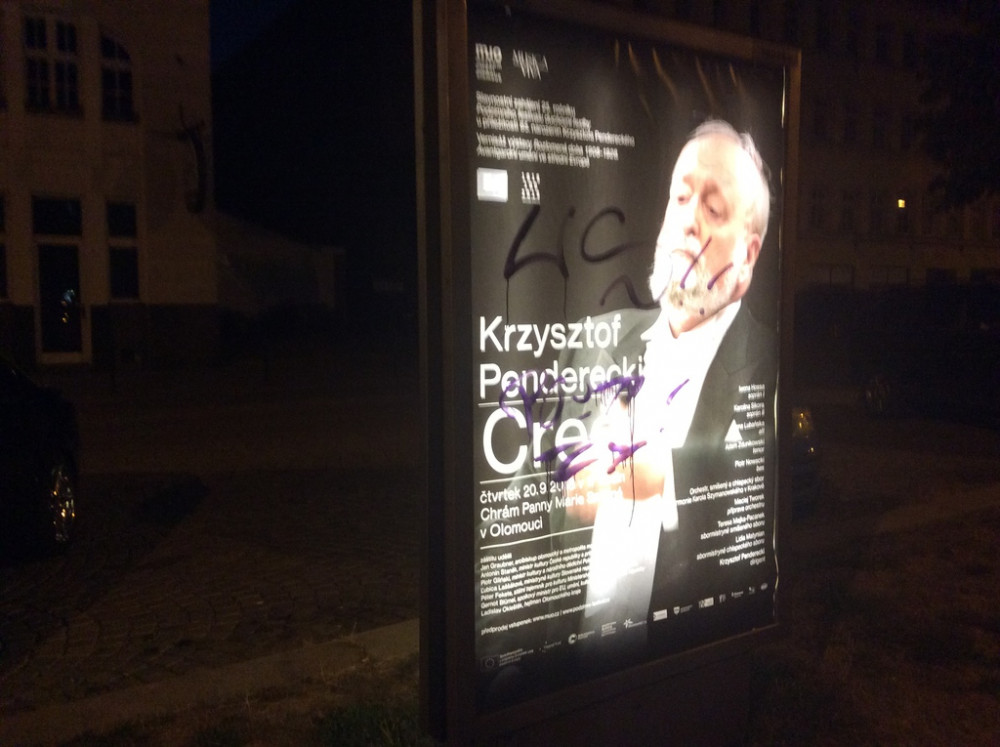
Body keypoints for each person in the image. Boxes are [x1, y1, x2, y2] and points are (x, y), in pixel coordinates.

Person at [548, 118, 777, 661]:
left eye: (713, 209)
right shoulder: (590, 342)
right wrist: (568, 494)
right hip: (562, 673)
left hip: (685, 674)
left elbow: (764, 504)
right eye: (680, 198)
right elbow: (528, 515)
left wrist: (662, 476)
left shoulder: (770, 364)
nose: (687, 221)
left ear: (747, 258)